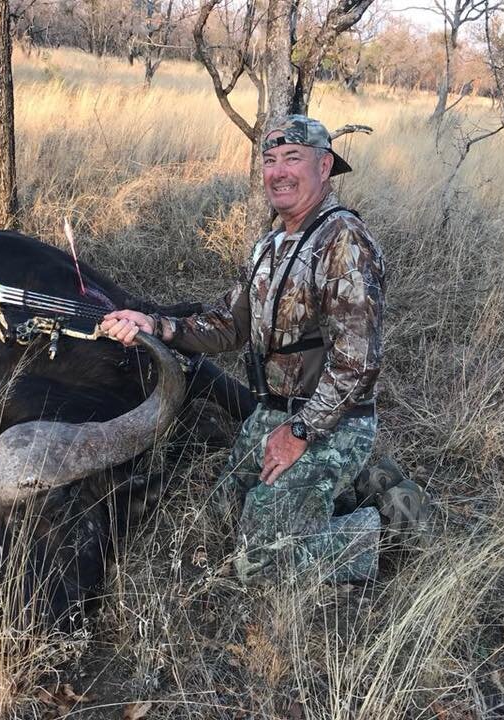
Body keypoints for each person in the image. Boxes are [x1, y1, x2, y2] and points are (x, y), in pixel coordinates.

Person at [101, 115, 389, 585]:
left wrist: (298, 434)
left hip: (330, 421)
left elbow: (358, 367)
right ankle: (334, 491)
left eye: (292, 159)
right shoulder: (270, 245)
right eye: (270, 160)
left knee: (257, 561)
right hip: (273, 412)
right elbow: (228, 325)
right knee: (216, 515)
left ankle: (372, 529)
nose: (278, 172)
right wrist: (155, 326)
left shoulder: (344, 243)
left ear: (325, 166)